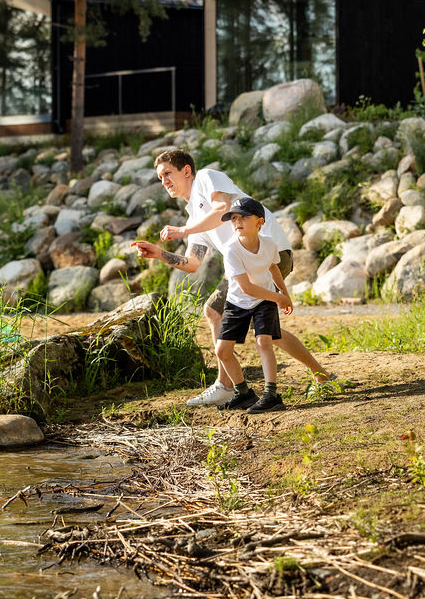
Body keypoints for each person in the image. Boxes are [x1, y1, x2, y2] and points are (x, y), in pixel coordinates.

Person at [131, 149, 330, 407]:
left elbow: (222, 208)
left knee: (236, 319)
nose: (164, 181)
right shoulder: (195, 218)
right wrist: (160, 254)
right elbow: (192, 263)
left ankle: (231, 385)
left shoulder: (206, 178)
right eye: (160, 178)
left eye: (168, 173)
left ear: (186, 170)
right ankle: (315, 375)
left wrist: (182, 230)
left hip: (271, 254)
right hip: (244, 265)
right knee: (243, 321)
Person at [210, 195, 292, 412]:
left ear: (259, 222)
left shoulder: (269, 244)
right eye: (233, 218)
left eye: (243, 217)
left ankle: (271, 395)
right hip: (237, 302)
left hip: (264, 299)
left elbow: (273, 268)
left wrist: (285, 294)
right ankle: (244, 393)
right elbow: (246, 288)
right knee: (222, 351)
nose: (237, 222)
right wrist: (279, 297)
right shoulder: (231, 250)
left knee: (264, 342)